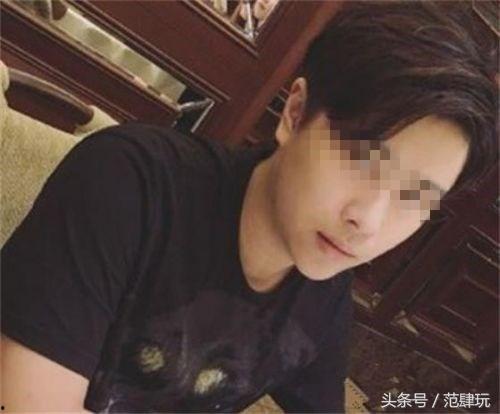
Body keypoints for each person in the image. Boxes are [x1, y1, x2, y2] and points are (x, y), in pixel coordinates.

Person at [1, 1, 497, 412]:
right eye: (361, 160)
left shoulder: (323, 292)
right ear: (295, 113)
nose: (367, 222)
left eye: (416, 197)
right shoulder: (130, 183)